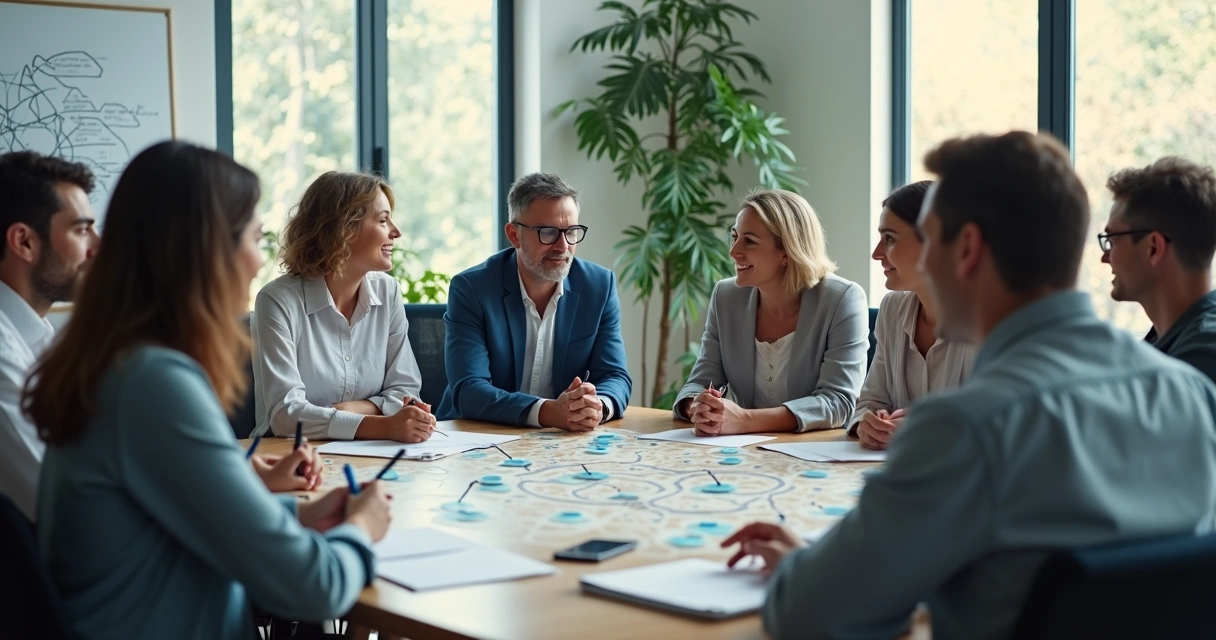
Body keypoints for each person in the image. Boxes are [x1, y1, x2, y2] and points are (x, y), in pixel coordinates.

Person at [723, 131, 1216, 640]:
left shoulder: (967, 428)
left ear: (968, 251)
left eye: (930, 241)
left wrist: (802, 574)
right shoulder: (1191, 396)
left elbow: (810, 617)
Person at [25, 141, 392, 639]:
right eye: (255, 239)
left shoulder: (114, 360)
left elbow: (167, 516)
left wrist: (299, 512)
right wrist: (362, 527)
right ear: (208, 250)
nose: (260, 263)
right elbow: (316, 587)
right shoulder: (155, 383)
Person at [438, 172, 631, 429]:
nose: (563, 246)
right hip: (479, 435)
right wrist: (548, 412)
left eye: (572, 231)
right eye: (548, 232)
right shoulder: (473, 289)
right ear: (514, 235)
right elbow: (469, 390)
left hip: (561, 440)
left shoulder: (598, 286)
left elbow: (615, 375)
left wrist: (598, 406)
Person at [253, 171, 434, 442]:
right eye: (383, 220)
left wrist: (349, 410)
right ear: (344, 229)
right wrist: (384, 424)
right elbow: (286, 415)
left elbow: (405, 391)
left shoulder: (388, 291)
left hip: (374, 453)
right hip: (289, 458)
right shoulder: (277, 301)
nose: (396, 232)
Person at [673, 189, 868, 434]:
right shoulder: (726, 296)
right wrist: (700, 408)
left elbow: (838, 402)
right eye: (734, 237)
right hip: (742, 451)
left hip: (814, 452)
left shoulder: (842, 299)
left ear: (787, 252)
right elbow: (700, 382)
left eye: (749, 241)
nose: (733, 252)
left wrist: (745, 420)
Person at [0, 151, 98, 520]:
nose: (97, 248)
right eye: (81, 230)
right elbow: (65, 504)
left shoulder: (36, 338)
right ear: (24, 242)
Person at [849, 181, 975, 449]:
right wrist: (869, 424)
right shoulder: (892, 309)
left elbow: (1006, 425)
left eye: (890, 239)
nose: (876, 254)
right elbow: (870, 402)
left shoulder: (990, 320)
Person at [1100, 157, 1216, 382]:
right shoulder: (1170, 341)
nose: (1105, 257)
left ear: (1153, 248)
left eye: (1112, 241)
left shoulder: (1199, 365)